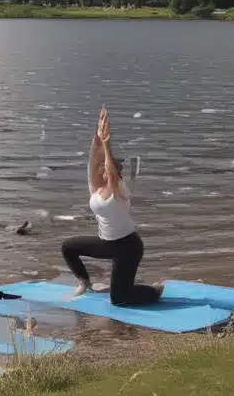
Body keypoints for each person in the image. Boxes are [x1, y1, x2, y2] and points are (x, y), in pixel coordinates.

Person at [61, 106, 163, 306]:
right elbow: (94, 159)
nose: (102, 168)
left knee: (119, 299)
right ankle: (84, 281)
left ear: (114, 173)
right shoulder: (97, 189)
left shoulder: (120, 191)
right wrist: (99, 134)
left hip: (129, 247)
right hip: (107, 244)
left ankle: (154, 290)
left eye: (106, 168)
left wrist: (107, 146)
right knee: (68, 247)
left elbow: (108, 166)